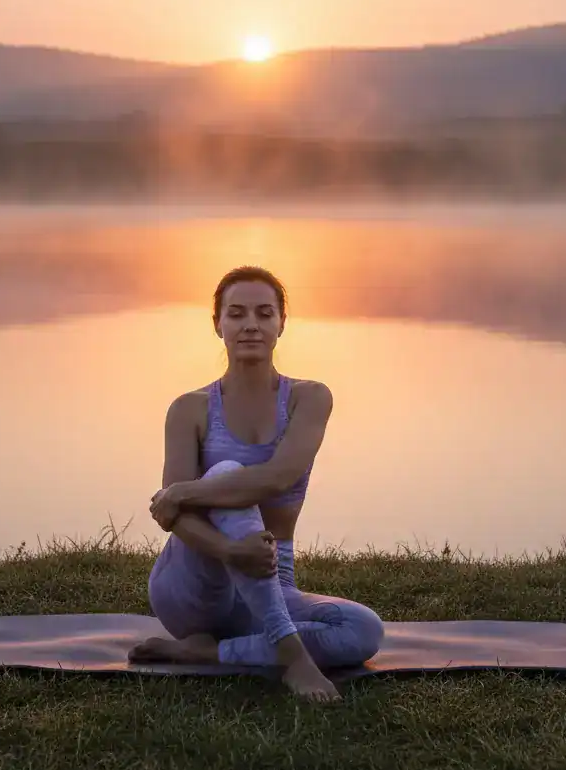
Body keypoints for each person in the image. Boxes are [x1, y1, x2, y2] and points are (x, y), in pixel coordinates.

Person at [128, 265, 384, 702]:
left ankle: (212, 652)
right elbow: (177, 523)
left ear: (281, 324)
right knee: (227, 475)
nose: (250, 324)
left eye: (265, 313)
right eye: (237, 313)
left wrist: (180, 492)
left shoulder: (309, 397)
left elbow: (277, 477)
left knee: (363, 630)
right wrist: (229, 550)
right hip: (195, 582)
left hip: (271, 579)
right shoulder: (189, 409)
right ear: (218, 324)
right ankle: (292, 657)